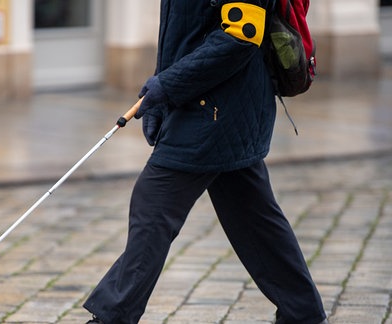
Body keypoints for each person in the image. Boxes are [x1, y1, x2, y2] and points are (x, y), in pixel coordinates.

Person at [83, 0, 328, 323]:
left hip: (219, 110)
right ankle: (304, 313)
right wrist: (161, 94)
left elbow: (241, 37)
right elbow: (187, 32)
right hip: (212, 104)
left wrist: (168, 86)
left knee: (153, 205)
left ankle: (113, 316)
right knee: (253, 217)